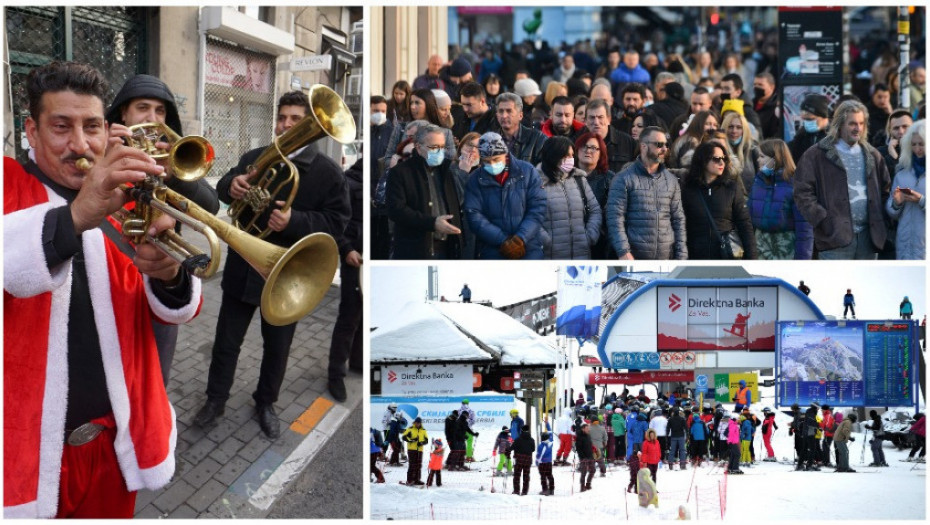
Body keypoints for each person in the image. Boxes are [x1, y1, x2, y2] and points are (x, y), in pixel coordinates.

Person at [4, 61, 201, 519]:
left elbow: (172, 312)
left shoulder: (128, 197)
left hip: (118, 446)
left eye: (92, 126)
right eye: (60, 127)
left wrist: (170, 274)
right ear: (31, 132)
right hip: (24, 457)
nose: (80, 144)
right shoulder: (7, 183)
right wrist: (76, 215)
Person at [194, 91, 351, 439]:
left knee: (277, 349)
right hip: (243, 267)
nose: (286, 125)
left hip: (289, 275)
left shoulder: (328, 173)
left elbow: (338, 222)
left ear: (312, 126)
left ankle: (266, 403)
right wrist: (229, 185)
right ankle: (215, 400)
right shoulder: (256, 157)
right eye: (282, 118)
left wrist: (295, 221)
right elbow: (223, 187)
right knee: (225, 342)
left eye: (296, 120)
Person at [104, 73, 220, 386]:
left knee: (154, 376)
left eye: (160, 111)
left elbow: (211, 207)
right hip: (110, 285)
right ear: (124, 114)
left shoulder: (170, 158)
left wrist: (175, 173)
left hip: (162, 283)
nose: (153, 119)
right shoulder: (104, 152)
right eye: (143, 108)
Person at [794, 100, 892, 259]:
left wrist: (881, 222)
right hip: (834, 239)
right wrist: (823, 220)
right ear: (839, 124)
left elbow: (884, 190)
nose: (858, 128)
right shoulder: (816, 154)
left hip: (869, 239)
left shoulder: (873, 155)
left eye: (861, 123)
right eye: (852, 123)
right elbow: (802, 192)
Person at [606, 126, 688, 260]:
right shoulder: (623, 178)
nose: (664, 149)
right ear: (643, 146)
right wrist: (623, 251)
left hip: (666, 259)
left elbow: (678, 220)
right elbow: (615, 217)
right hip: (633, 259)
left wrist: (682, 255)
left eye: (666, 145)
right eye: (659, 145)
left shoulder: (671, 181)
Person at [463, 132, 547, 259]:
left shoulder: (527, 171)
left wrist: (520, 239)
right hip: (492, 249)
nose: (491, 165)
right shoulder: (475, 179)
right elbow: (474, 215)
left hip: (529, 247)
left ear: (505, 154)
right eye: (487, 161)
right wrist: (502, 240)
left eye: (496, 159)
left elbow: (537, 208)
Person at [386, 124, 463, 259]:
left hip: (446, 248)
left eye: (442, 147)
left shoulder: (446, 170)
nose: (439, 151)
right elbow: (396, 210)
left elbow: (457, 203)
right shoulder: (400, 172)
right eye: (434, 147)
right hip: (415, 250)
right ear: (418, 147)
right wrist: (432, 222)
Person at [680, 141, 758, 259]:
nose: (721, 162)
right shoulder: (687, 189)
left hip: (725, 256)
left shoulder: (731, 187)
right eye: (716, 159)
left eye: (724, 158)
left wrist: (752, 257)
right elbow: (681, 225)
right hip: (695, 257)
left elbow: (744, 224)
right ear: (703, 160)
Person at [327, 154, 363, 402]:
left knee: (366, 314)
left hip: (372, 261)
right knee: (349, 316)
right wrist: (346, 248)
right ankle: (335, 374)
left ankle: (358, 360)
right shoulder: (348, 182)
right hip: (355, 258)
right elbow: (336, 223)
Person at [536, 136, 601, 259]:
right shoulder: (536, 182)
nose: (571, 159)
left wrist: (590, 235)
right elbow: (530, 216)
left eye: (572, 155)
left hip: (581, 254)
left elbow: (595, 210)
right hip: (550, 256)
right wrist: (545, 241)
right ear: (554, 156)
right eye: (566, 156)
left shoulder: (579, 179)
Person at [749, 139, 813, 259]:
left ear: (775, 159)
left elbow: (804, 227)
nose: (758, 160)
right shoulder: (759, 181)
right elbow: (749, 218)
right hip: (760, 247)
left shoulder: (796, 185)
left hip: (785, 248)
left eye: (762, 156)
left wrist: (802, 260)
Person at [885, 119, 926, 260]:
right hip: (904, 245)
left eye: (922, 144)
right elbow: (892, 212)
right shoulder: (902, 173)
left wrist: (921, 201)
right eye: (913, 144)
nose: (917, 148)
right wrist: (897, 203)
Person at [583, 94, 638, 172]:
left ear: (609, 119)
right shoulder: (577, 143)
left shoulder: (627, 142)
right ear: (585, 121)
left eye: (600, 117)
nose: (596, 122)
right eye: (592, 117)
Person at [493, 92, 547, 165]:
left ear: (520, 115)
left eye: (509, 111)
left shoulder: (537, 139)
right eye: (501, 111)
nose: (504, 115)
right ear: (497, 115)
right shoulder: (489, 140)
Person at [788, 94, 831, 163]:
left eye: (810, 119)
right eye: (804, 119)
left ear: (824, 116)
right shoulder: (801, 135)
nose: (807, 123)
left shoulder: (835, 135)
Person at [753, 72, 781, 140]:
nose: (756, 87)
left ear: (772, 87)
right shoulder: (750, 104)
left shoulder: (777, 107)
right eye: (755, 84)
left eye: (760, 85)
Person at [510, 424, 535, 495]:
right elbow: (533, 449)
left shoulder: (518, 439)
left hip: (519, 459)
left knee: (517, 475)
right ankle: (524, 492)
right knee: (526, 476)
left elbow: (512, 447)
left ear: (521, 431)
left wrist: (507, 450)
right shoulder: (532, 440)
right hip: (528, 460)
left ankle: (516, 491)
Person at [403, 417, 429, 485]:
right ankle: (409, 480)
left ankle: (417, 480)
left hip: (420, 450)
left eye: (419, 423)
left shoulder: (423, 430)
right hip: (411, 449)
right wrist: (412, 440)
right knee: (412, 465)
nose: (417, 424)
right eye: (416, 423)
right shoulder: (410, 429)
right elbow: (404, 437)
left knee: (418, 465)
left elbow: (426, 440)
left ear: (420, 423)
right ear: (414, 422)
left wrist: (421, 443)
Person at [575, 422, 595, 492]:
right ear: (583, 429)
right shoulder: (579, 437)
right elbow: (578, 448)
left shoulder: (588, 436)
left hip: (590, 456)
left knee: (593, 470)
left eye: (588, 428)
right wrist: (582, 457)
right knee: (584, 472)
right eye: (587, 428)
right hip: (584, 457)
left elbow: (589, 445)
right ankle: (582, 487)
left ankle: (588, 484)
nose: (588, 430)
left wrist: (593, 449)